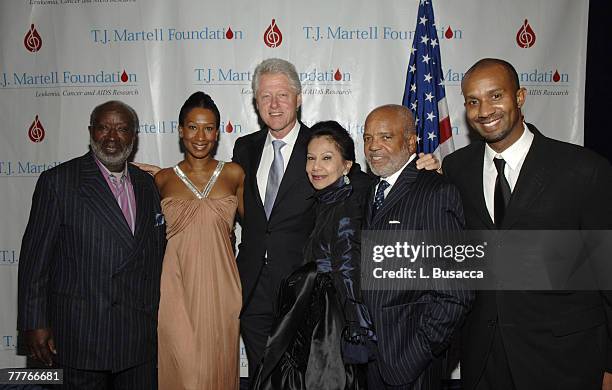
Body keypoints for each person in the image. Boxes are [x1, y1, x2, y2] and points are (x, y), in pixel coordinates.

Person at [232, 58, 439, 382]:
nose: (274, 105)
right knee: (263, 378)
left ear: (298, 99)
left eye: (282, 95)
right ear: (255, 102)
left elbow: (365, 182)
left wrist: (416, 169)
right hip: (252, 290)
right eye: (265, 96)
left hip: (302, 295)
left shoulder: (320, 143)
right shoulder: (244, 147)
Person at [441, 58, 612, 390]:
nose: (484, 110)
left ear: (519, 97)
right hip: (483, 358)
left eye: (495, 96)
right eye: (473, 101)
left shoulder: (584, 170)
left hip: (566, 360)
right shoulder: (456, 168)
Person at [17, 100, 166, 389]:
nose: (112, 137)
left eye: (122, 129)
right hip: (81, 334)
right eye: (103, 127)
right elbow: (35, 261)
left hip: (137, 336)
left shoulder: (148, 186)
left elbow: (154, 257)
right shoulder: (59, 182)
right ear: (90, 132)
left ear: (133, 137)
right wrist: (34, 322)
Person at [251, 121, 375, 389]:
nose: (315, 167)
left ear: (346, 166)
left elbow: (347, 266)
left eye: (327, 158)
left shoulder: (346, 203)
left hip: (330, 325)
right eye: (311, 158)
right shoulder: (327, 199)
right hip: (314, 316)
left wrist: (356, 327)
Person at [361, 104, 474, 389]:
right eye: (367, 138)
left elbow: (456, 291)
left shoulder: (435, 192)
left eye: (385, 137)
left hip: (411, 364)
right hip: (368, 360)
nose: (374, 146)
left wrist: (419, 352)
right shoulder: (369, 192)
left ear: (411, 141)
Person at [153, 91, 244, 389]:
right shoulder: (161, 179)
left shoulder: (234, 174)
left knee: (217, 366)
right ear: (180, 131)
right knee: (184, 370)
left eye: (208, 127)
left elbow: (258, 230)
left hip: (222, 285)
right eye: (192, 127)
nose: (200, 136)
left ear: (217, 132)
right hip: (176, 286)